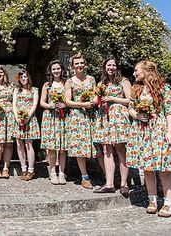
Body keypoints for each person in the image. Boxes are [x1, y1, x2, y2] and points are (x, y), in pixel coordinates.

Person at [126, 60, 171, 217]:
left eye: (136, 70)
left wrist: (170, 131)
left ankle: (169, 203)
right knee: (147, 167)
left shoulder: (163, 88)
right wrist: (138, 115)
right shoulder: (136, 89)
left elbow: (169, 111)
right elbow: (131, 109)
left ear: (147, 71)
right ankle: (152, 200)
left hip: (159, 129)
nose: (134, 73)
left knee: (164, 168)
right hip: (142, 131)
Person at [93, 57, 131, 196]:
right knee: (106, 149)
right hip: (105, 117)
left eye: (113, 65)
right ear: (105, 67)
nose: (111, 67)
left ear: (117, 67)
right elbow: (96, 99)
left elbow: (130, 100)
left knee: (120, 149)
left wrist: (113, 99)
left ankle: (124, 184)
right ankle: (109, 183)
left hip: (119, 117)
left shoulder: (124, 81)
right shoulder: (101, 83)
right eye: (109, 65)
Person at [65, 53, 102, 189]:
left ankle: (106, 176)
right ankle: (84, 177)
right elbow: (67, 101)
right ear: (73, 66)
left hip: (91, 114)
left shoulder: (91, 79)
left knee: (96, 144)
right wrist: (81, 104)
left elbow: (96, 95)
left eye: (81, 63)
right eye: (77, 63)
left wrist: (93, 101)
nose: (80, 65)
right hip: (77, 116)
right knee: (80, 145)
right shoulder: (70, 81)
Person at [40, 60, 67, 185]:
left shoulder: (66, 83)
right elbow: (42, 102)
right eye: (54, 69)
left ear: (62, 70)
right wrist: (50, 105)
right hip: (50, 117)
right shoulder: (47, 85)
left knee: (62, 147)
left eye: (58, 68)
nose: (56, 71)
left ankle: (62, 172)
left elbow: (70, 99)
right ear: (50, 71)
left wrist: (64, 104)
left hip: (63, 117)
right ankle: (52, 172)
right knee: (51, 147)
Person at [13, 69, 40, 181]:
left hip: (29, 119)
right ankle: (23, 168)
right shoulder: (16, 90)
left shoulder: (34, 90)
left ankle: (31, 170)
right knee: (19, 144)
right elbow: (14, 104)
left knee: (29, 144)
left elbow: (34, 104)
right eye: (21, 77)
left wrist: (27, 117)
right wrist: (17, 117)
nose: (23, 79)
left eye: (25, 76)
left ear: (28, 77)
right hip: (18, 119)